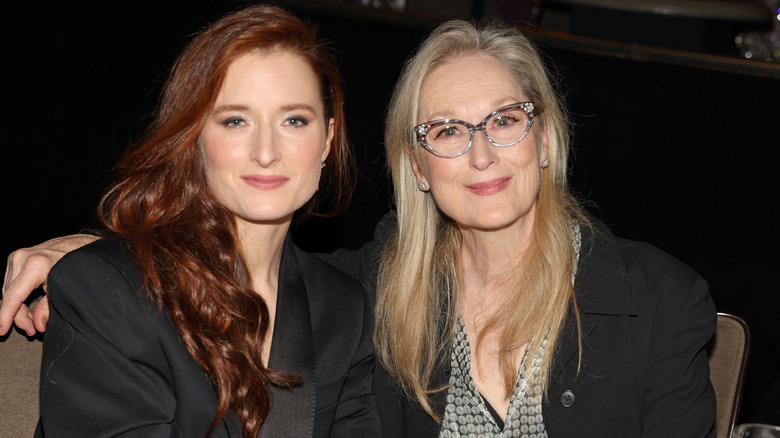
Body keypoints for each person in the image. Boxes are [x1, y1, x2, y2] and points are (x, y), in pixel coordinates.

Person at [1, 17, 716, 438]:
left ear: (545, 138)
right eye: (445, 130)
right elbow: (218, 269)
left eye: (504, 120)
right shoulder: (371, 290)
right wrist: (96, 250)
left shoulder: (657, 302)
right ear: (417, 165)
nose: (480, 152)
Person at [4, 5, 379, 437]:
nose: (266, 151)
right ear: (195, 137)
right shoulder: (103, 289)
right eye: (235, 120)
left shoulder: (345, 311)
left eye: (294, 120)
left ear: (327, 141)